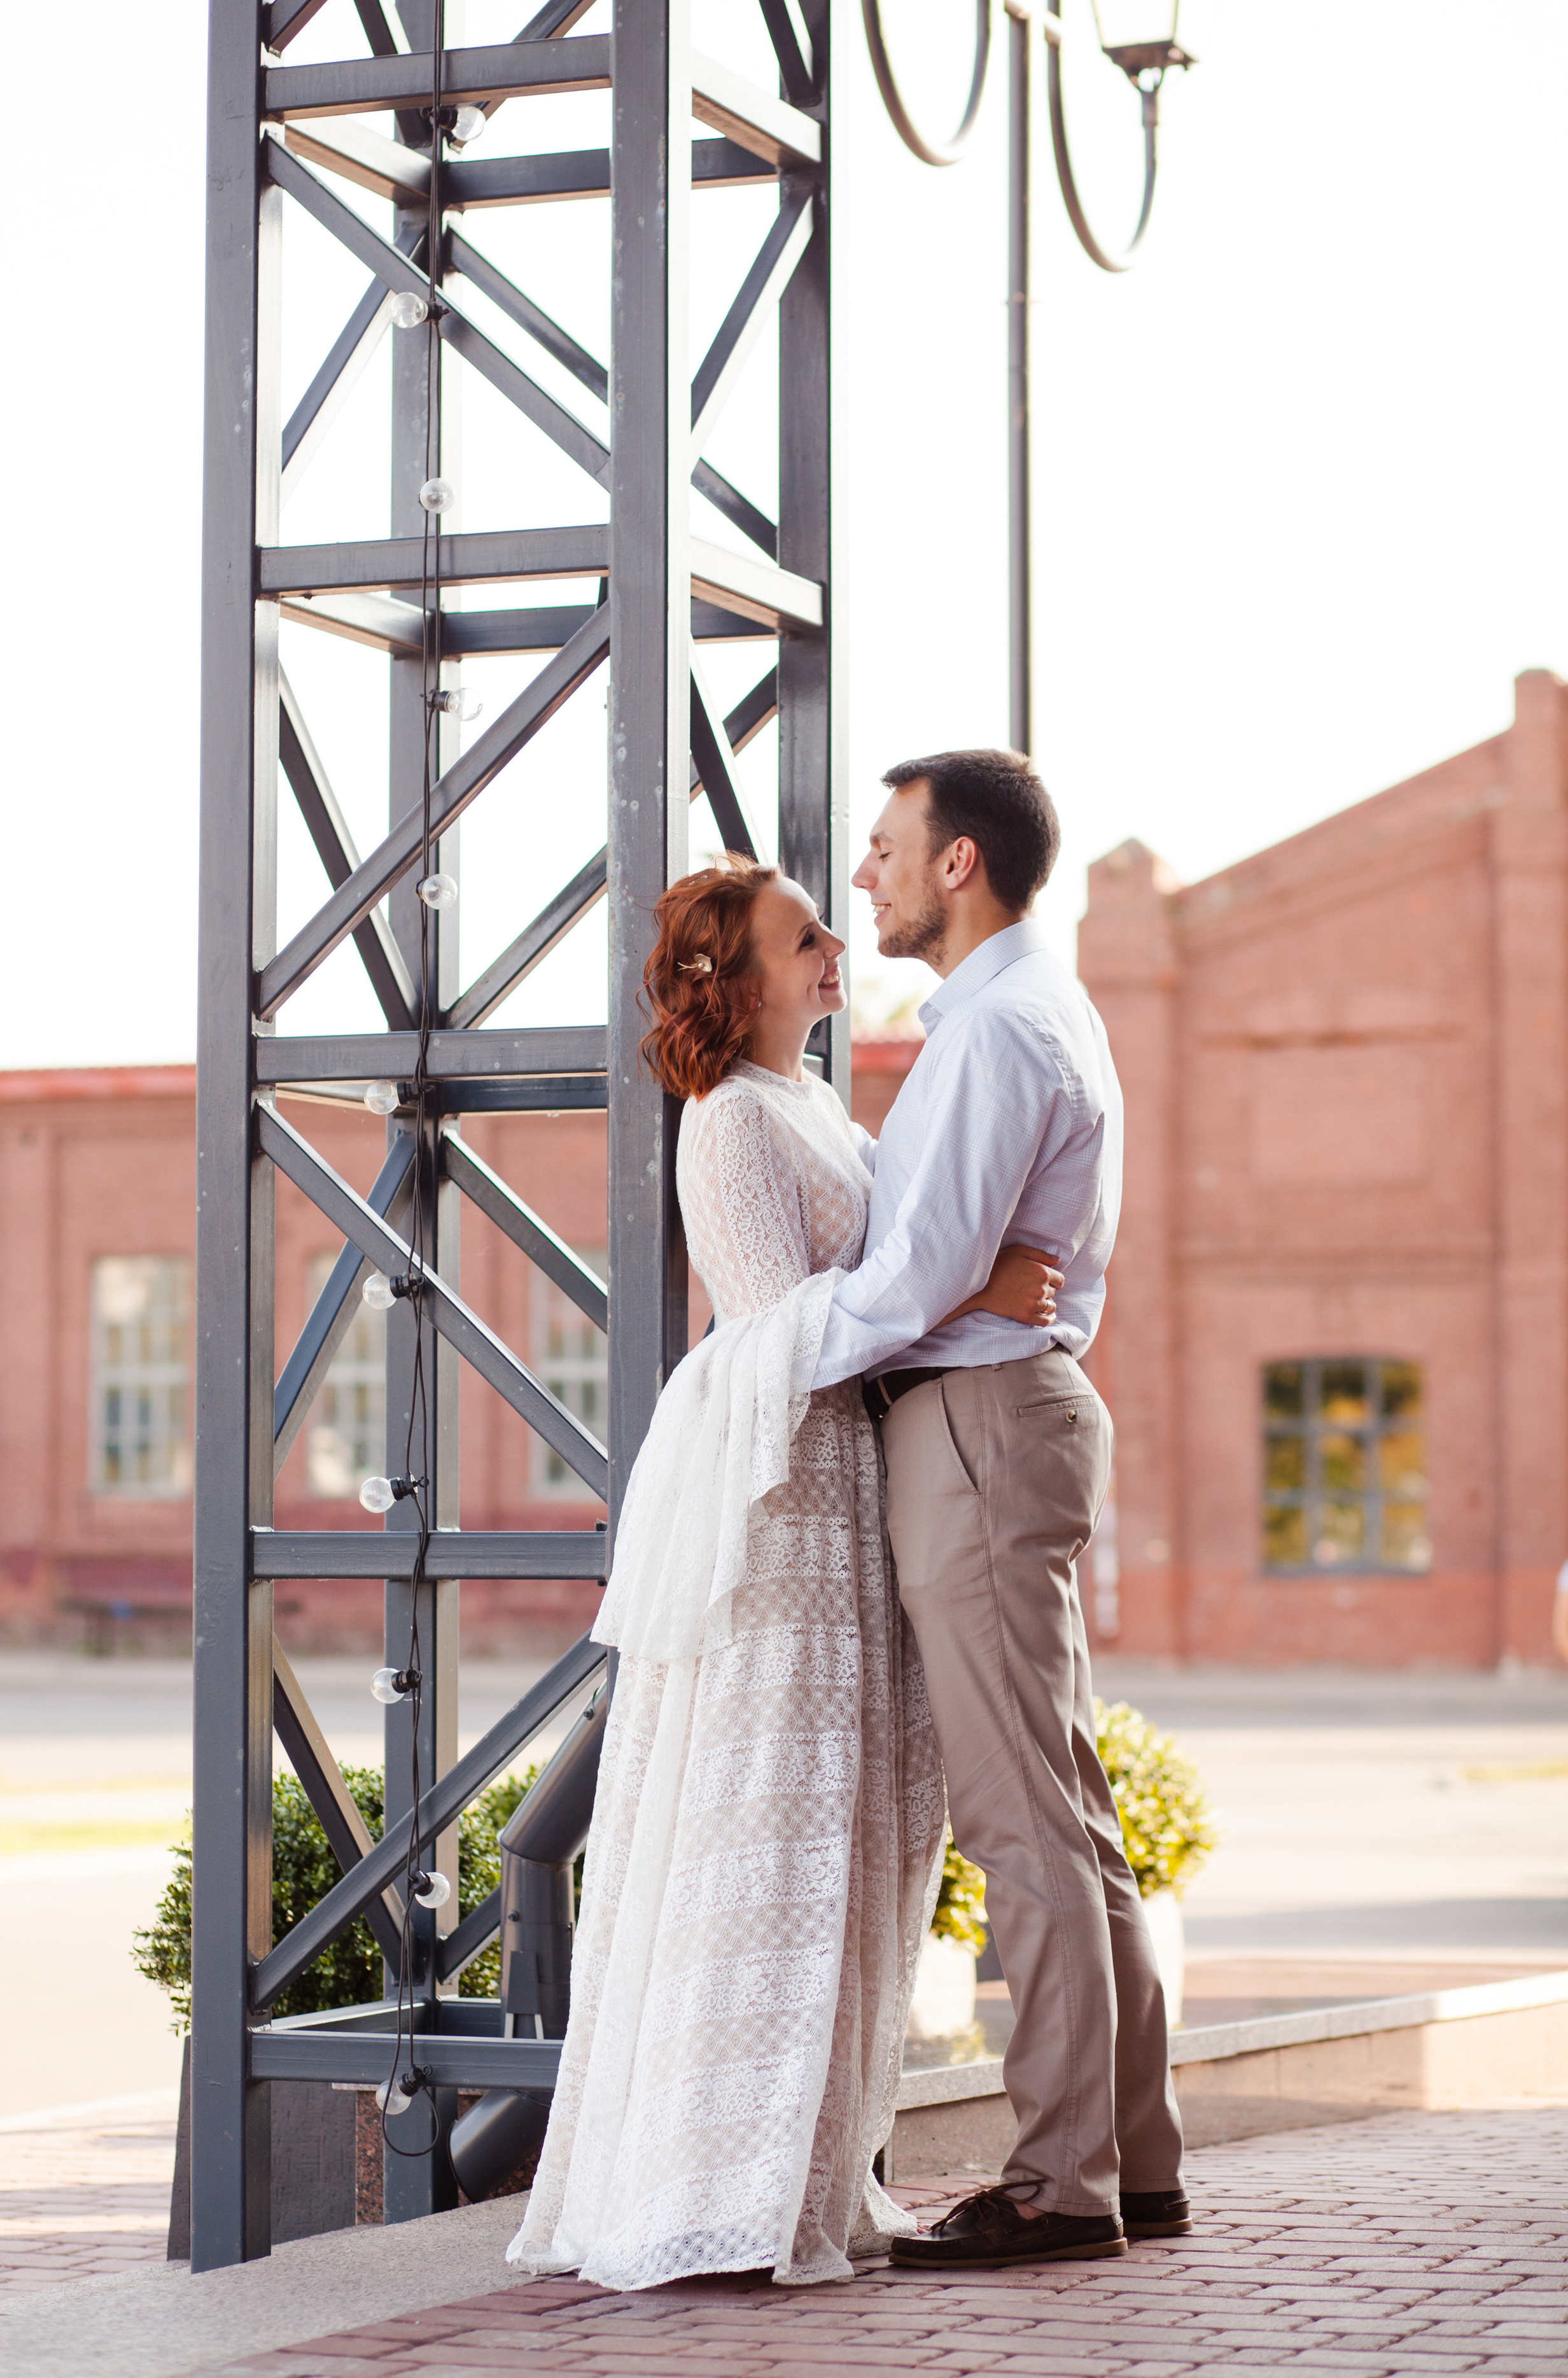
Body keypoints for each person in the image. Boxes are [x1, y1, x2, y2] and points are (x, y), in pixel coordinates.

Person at [507, 858, 1058, 2290]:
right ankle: (708, 2189)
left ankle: (808, 2181)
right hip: (776, 1503)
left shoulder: (815, 1107)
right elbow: (779, 1332)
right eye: (799, 937)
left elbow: (883, 1267)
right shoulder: (730, 1124)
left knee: (854, 1825)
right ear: (734, 982)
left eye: (825, 928)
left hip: (844, 1490)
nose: (831, 950)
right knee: (770, 1817)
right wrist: (969, 1291)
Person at [807, 748, 1188, 2270]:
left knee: (1021, 1823)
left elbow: (912, 1280)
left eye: (886, 848)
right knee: (1068, 1817)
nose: (865, 877)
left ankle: (1058, 2186)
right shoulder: (1038, 1010)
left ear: (959, 862)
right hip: (1005, 1416)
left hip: (970, 1425)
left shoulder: (992, 1032)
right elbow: (950, 1263)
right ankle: (1130, 2165)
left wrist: (761, 1364)